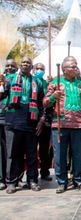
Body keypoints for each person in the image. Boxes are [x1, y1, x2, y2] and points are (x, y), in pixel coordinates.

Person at [43, 58, 81, 193]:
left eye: (76, 66)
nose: (76, 69)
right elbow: (45, 102)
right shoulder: (55, 83)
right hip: (60, 124)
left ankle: (78, 180)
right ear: (65, 69)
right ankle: (62, 182)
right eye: (73, 67)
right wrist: (53, 97)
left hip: (78, 124)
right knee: (59, 155)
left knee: (78, 154)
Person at [0, 57, 45, 193]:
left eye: (28, 63)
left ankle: (32, 180)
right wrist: (1, 85)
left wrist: (41, 120)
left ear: (31, 67)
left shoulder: (37, 81)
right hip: (12, 122)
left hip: (31, 122)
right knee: (13, 154)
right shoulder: (10, 79)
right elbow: (1, 96)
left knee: (32, 154)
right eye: (23, 63)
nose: (25, 64)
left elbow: (42, 103)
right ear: (20, 65)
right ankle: (12, 182)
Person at [33, 63, 53, 181]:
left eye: (42, 69)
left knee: (45, 148)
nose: (39, 70)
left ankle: (45, 172)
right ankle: (32, 174)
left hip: (45, 119)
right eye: (37, 68)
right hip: (31, 120)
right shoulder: (31, 81)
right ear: (33, 70)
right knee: (31, 148)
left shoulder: (47, 83)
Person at [0, 59, 18, 190]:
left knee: (11, 151)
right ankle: (2, 179)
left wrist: (4, 81)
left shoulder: (16, 79)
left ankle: (11, 178)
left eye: (12, 66)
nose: (9, 68)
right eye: (7, 66)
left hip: (11, 119)